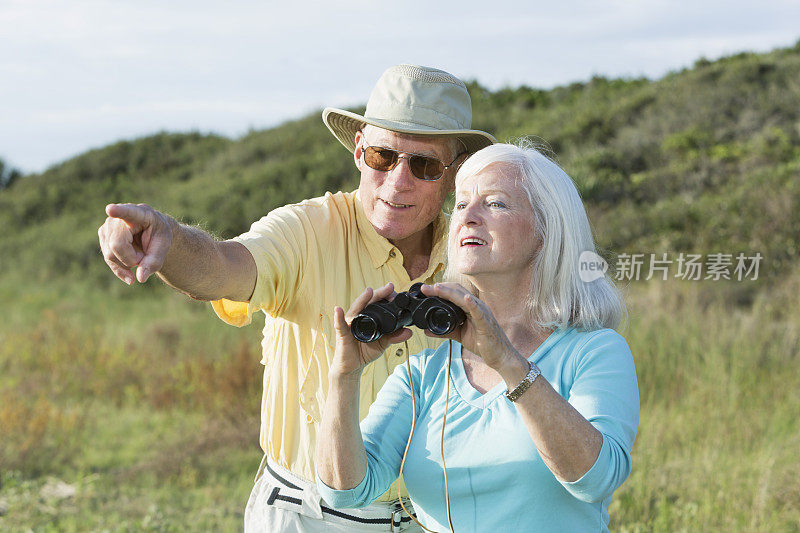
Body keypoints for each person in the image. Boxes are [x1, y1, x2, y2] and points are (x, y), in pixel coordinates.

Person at [97, 64, 496, 532]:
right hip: (308, 516)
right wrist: (167, 239)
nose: (397, 181)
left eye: (424, 165)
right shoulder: (305, 230)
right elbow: (222, 268)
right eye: (383, 157)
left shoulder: (478, 253)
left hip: (435, 517)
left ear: (455, 175)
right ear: (358, 152)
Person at [316, 143, 640, 532]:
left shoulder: (593, 351)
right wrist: (344, 377)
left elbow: (596, 480)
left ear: (547, 229)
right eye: (463, 202)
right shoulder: (425, 373)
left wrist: (507, 362)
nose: (468, 216)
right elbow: (345, 491)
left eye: (495, 203)